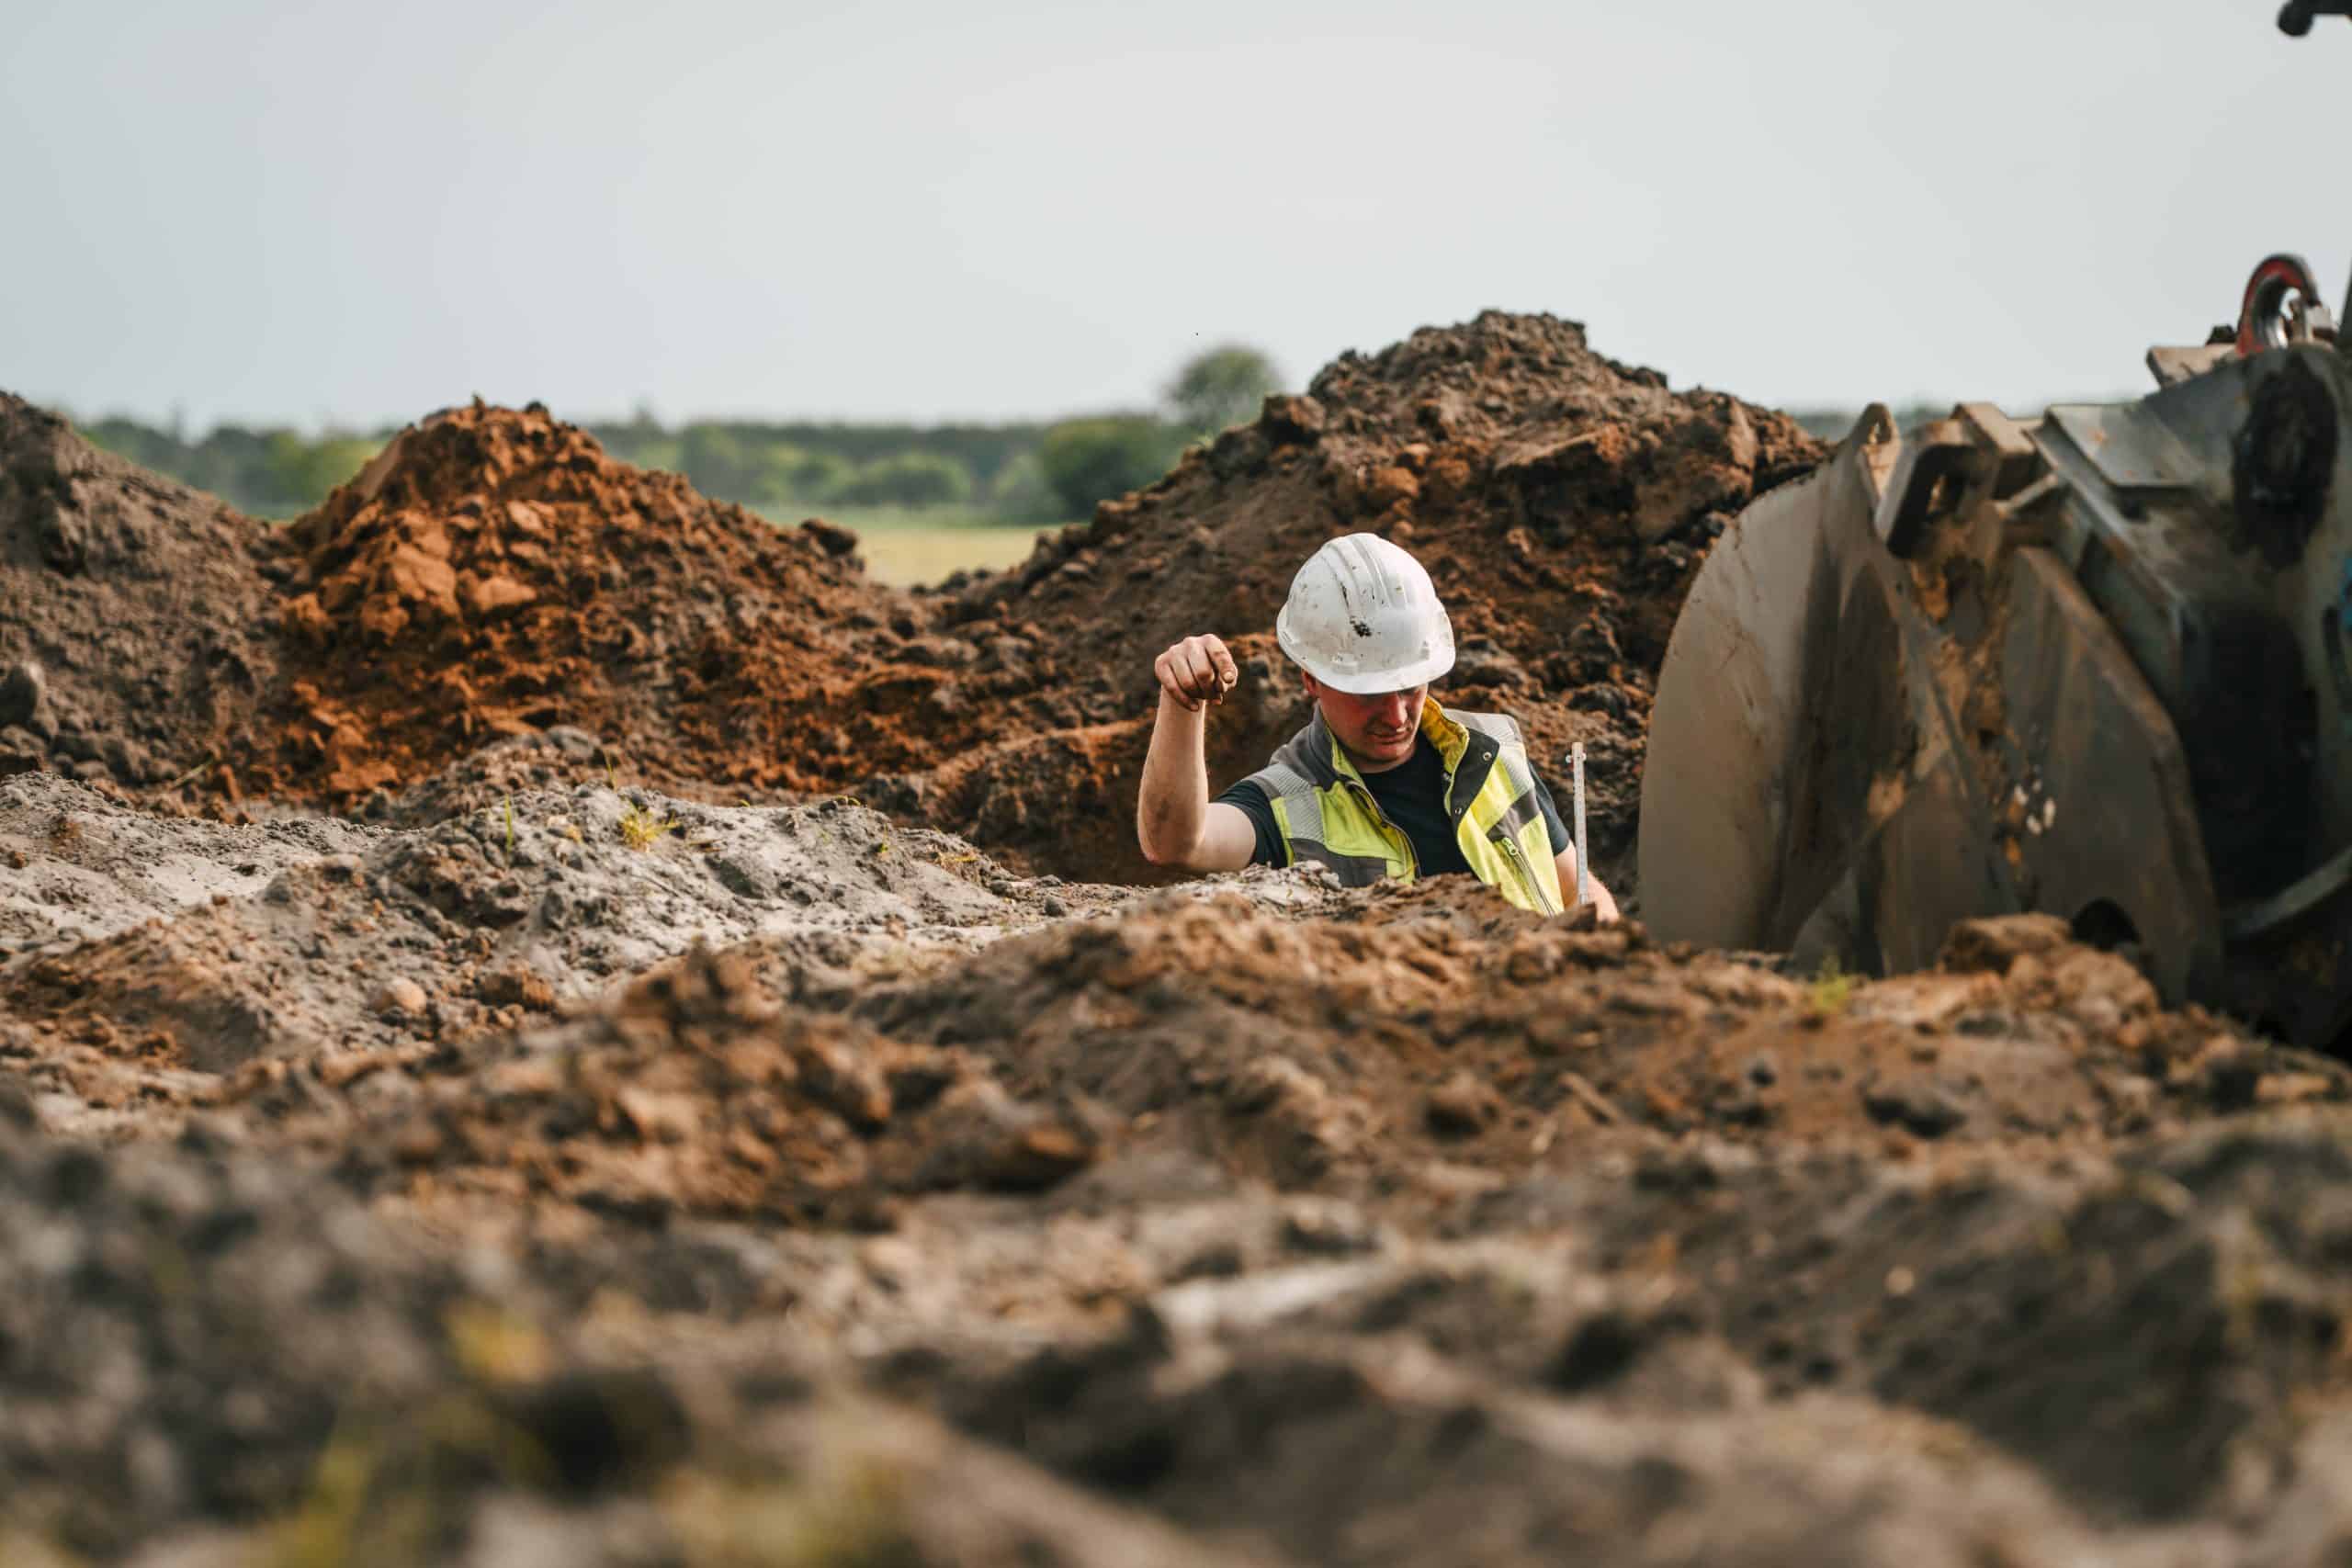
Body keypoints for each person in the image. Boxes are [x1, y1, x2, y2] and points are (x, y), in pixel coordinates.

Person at [1136, 532, 1620, 919]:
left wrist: (1606, 949)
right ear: (1311, 678)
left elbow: (1573, 889)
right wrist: (1183, 703)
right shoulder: (1285, 806)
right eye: (1368, 694)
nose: (1397, 716)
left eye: (1409, 688)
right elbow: (1176, 844)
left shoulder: (1493, 751)